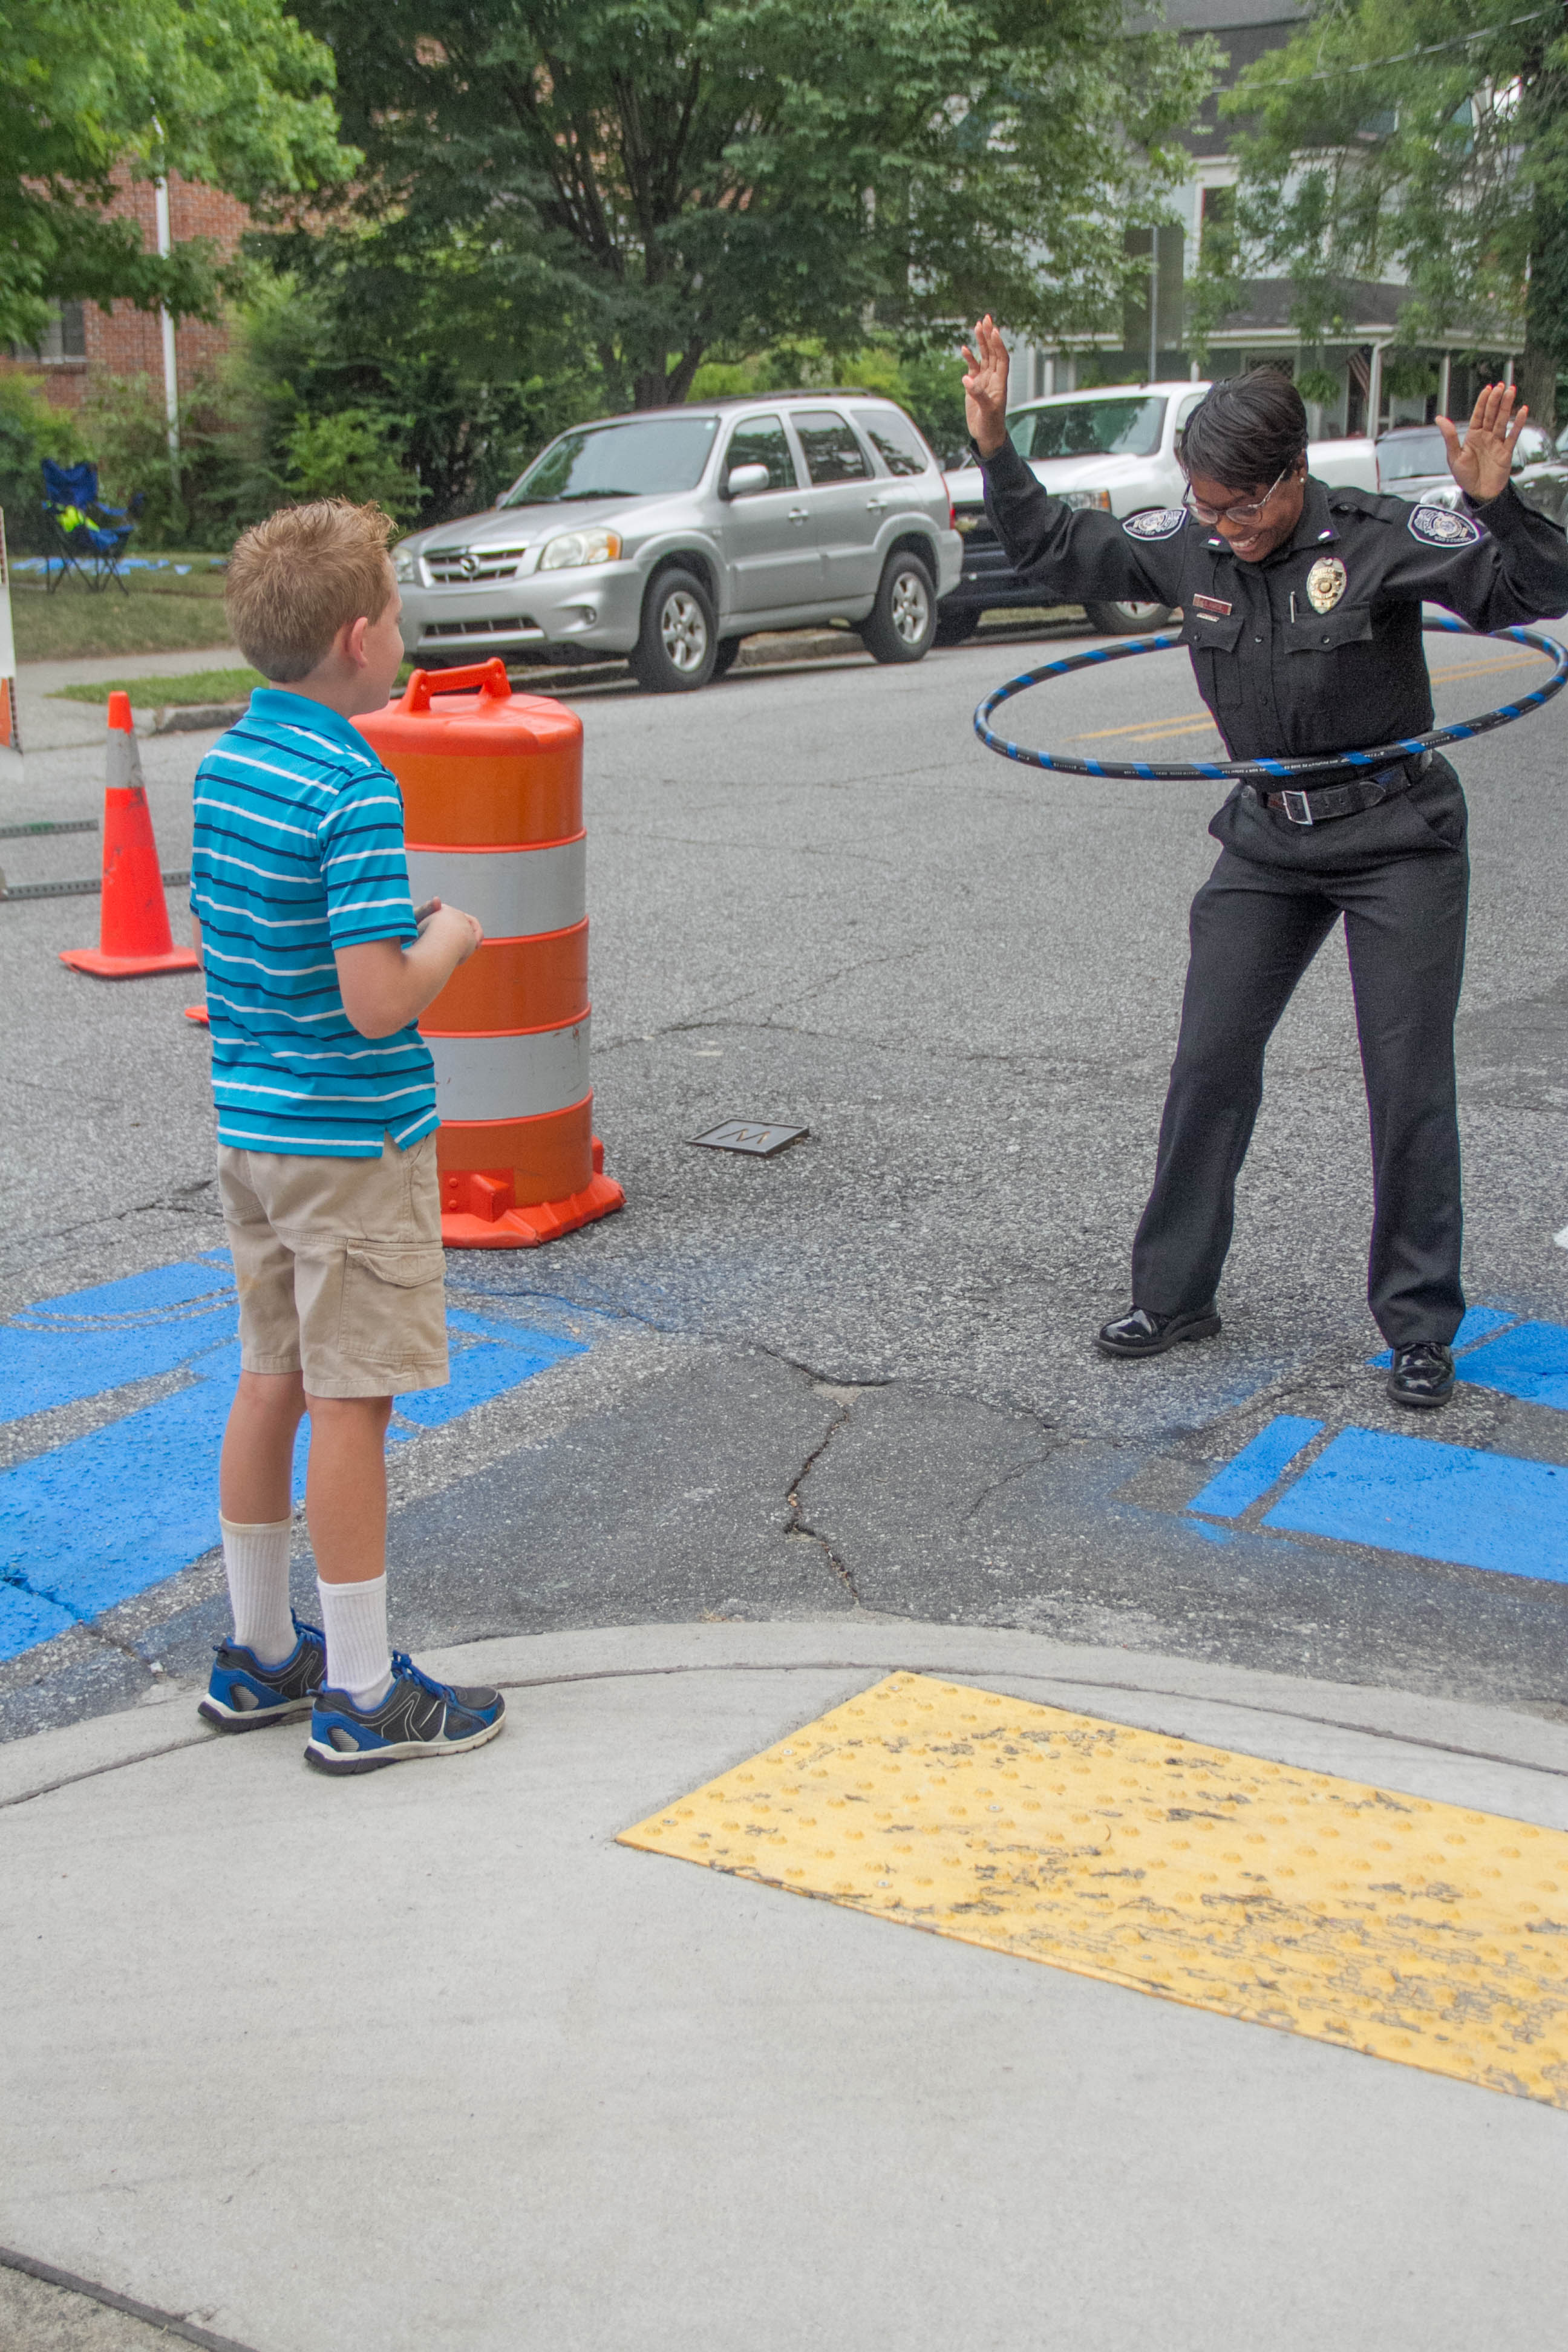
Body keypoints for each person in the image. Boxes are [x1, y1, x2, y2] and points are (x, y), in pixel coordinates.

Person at [961, 318, 1568, 1408]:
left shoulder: (1381, 537)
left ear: (1297, 474)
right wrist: (999, 443)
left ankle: (1420, 1325)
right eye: (1209, 506)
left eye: (1248, 506)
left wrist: (1493, 505)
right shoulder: (1191, 539)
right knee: (1209, 1060)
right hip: (1269, 838)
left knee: (1408, 1080)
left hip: (1396, 837)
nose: (1227, 528)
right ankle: (1177, 1292)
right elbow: (1058, 546)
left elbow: (1534, 594)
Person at [189, 498, 507, 1772]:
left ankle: (264, 1655)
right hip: (350, 1141)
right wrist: (451, 938)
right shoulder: (352, 783)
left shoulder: (226, 763)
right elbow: (379, 1001)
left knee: (270, 1379)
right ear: (363, 639)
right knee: (351, 1403)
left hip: (255, 1131)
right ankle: (365, 1692)